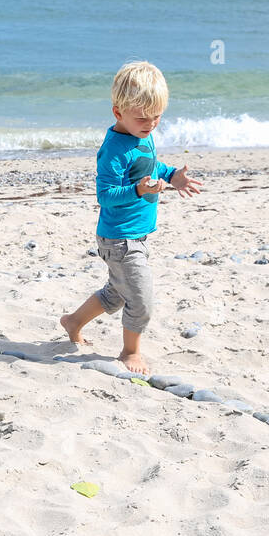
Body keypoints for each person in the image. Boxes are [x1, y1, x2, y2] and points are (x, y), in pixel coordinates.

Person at [59, 60, 203, 375]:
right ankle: (130, 352)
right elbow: (106, 195)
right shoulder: (114, 150)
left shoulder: (143, 133)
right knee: (141, 301)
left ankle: (73, 322)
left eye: (157, 117)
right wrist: (137, 191)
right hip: (119, 238)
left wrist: (171, 175)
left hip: (135, 235)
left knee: (116, 294)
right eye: (142, 117)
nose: (150, 124)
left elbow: (149, 166)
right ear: (118, 113)